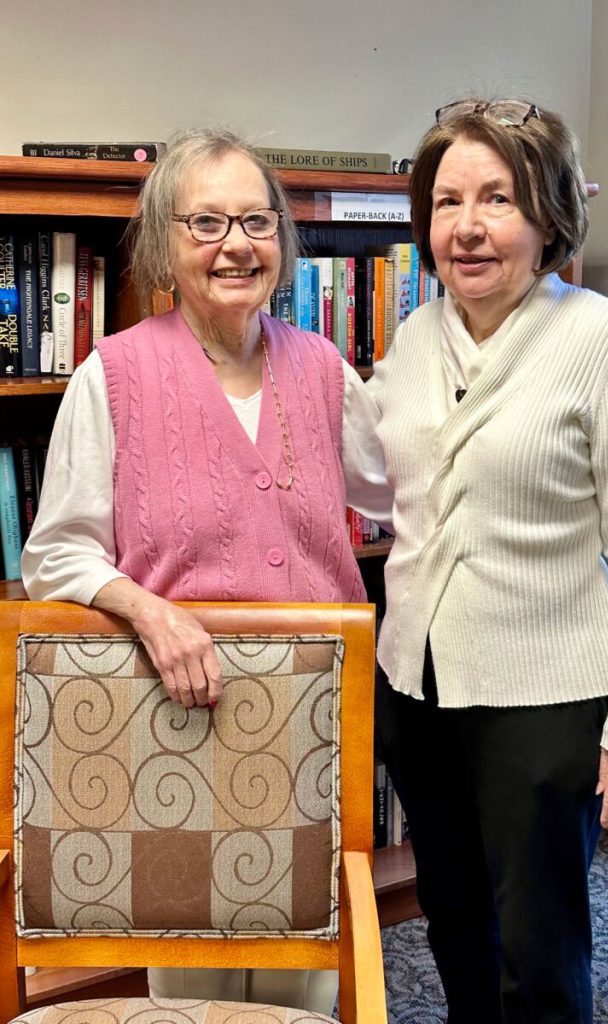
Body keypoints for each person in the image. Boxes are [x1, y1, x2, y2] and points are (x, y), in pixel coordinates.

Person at [21, 127, 391, 1013]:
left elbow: (403, 497)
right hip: (178, 729)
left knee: (307, 985)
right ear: (164, 245)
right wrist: (150, 611)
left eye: (258, 221)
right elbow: (54, 554)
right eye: (208, 223)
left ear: (283, 242)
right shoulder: (110, 377)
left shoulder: (329, 371)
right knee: (192, 986)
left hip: (316, 732)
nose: (237, 245)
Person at [369, 98, 608, 1024]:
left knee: (538, 951)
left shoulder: (604, 340)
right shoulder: (420, 335)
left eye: (497, 199)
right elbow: (373, 468)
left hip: (543, 702)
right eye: (447, 200)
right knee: (454, 919)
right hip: (418, 689)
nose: (466, 227)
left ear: (547, 217)